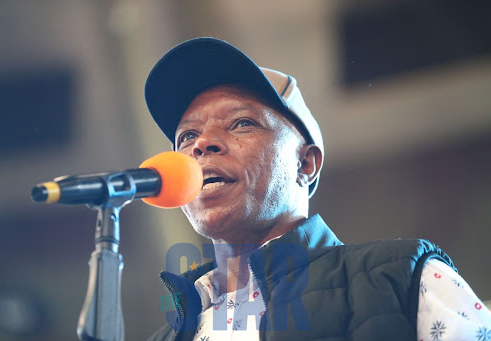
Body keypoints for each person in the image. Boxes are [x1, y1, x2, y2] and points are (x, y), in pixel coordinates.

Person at [144, 37, 491, 340]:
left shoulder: (402, 279)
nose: (202, 144)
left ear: (305, 164)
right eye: (187, 136)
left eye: (242, 123)